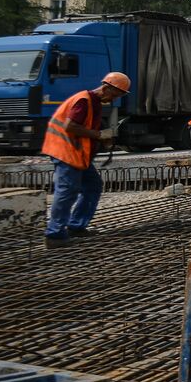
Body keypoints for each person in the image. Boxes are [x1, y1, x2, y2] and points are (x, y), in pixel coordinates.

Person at [40, 72, 131, 249]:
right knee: (67, 191)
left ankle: (76, 226)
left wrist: (100, 140)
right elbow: (71, 126)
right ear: (106, 88)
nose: (113, 99)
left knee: (93, 186)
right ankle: (55, 234)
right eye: (114, 95)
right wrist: (98, 135)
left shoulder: (94, 103)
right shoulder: (83, 100)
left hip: (78, 154)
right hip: (65, 152)